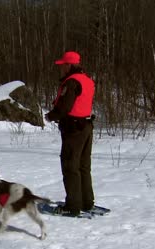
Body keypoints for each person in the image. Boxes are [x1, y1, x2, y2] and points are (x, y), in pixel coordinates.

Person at [45, 51, 95, 216]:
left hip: (74, 129)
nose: (60, 69)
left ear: (69, 65)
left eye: (62, 65)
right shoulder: (87, 80)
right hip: (86, 125)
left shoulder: (72, 82)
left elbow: (65, 107)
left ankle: (73, 205)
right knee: (83, 166)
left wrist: (50, 116)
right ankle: (86, 202)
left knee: (70, 166)